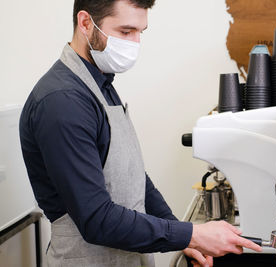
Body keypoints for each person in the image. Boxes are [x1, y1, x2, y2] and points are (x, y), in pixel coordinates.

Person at [19, 0, 262, 266]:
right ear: (86, 23)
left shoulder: (100, 84)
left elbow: (132, 177)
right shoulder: (62, 102)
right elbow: (96, 220)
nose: (134, 43)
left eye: (140, 32)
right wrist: (191, 234)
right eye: (125, 32)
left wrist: (183, 235)